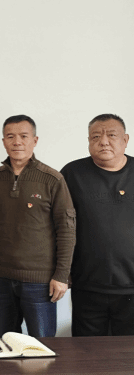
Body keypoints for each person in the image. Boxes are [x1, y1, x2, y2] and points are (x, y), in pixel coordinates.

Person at [0, 115, 76, 338]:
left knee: (42, 346)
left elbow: (66, 230)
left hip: (40, 280)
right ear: (3, 141)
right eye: (10, 136)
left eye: (24, 136)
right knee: (5, 342)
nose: (17, 142)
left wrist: (62, 275)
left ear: (35, 140)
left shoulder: (52, 179)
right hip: (1, 277)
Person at [61, 113, 134, 336]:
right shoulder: (72, 174)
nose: (103, 141)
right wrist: (62, 269)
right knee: (86, 349)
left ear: (125, 140)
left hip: (131, 286)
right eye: (95, 136)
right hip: (87, 283)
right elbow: (58, 225)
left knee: (128, 352)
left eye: (111, 135)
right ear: (88, 141)